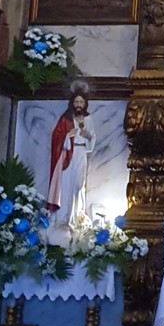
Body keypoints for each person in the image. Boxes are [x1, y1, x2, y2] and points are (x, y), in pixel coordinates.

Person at [47, 83, 96, 231]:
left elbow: (92, 138)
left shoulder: (88, 119)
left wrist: (88, 136)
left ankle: (78, 217)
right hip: (68, 154)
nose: (78, 104)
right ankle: (64, 216)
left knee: (79, 185)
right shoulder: (66, 119)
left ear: (85, 104)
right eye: (76, 101)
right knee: (66, 184)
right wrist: (68, 136)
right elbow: (56, 137)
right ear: (72, 103)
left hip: (81, 153)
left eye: (81, 102)